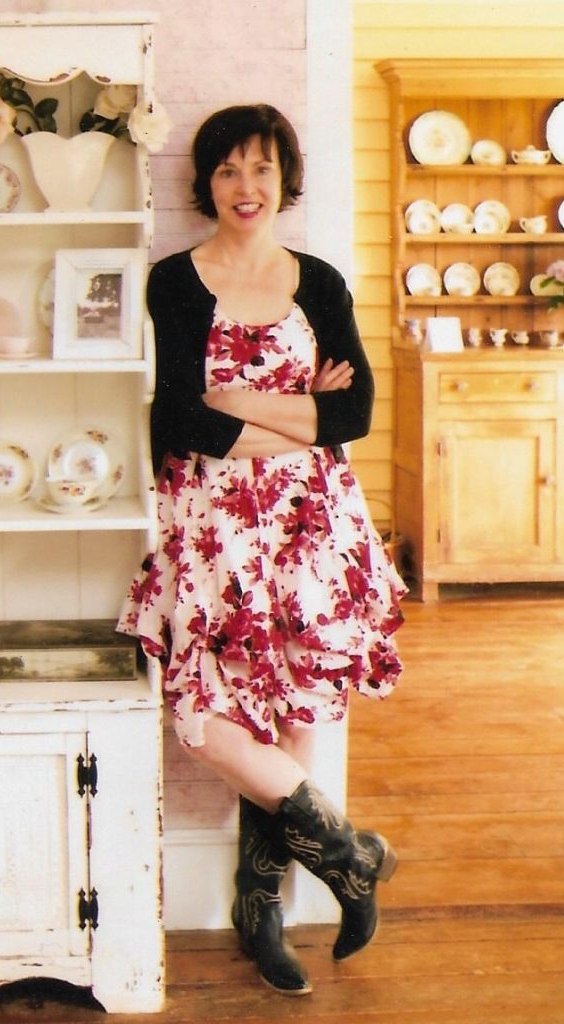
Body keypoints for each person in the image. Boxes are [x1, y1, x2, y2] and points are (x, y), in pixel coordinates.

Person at [117, 104, 407, 997]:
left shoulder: (315, 278)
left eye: (263, 171)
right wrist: (297, 414)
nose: (247, 189)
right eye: (230, 171)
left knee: (290, 714)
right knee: (210, 718)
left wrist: (237, 398)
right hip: (211, 527)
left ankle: (262, 913)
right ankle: (352, 856)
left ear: (287, 182)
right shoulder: (172, 280)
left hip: (313, 527)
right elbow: (177, 420)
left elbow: (351, 418)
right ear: (205, 183)